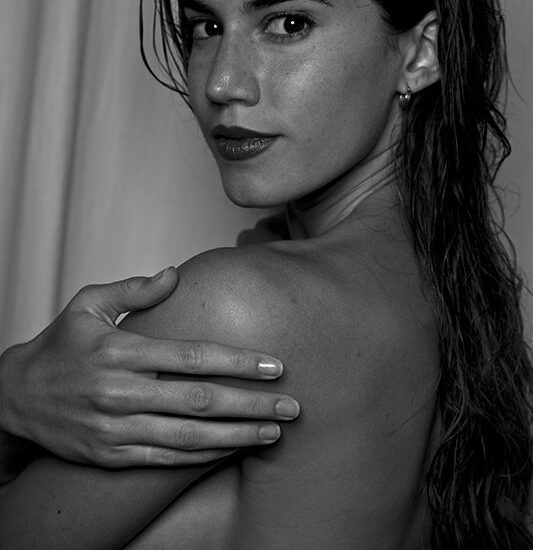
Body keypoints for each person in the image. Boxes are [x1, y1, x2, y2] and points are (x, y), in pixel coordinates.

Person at [0, 0, 532, 548]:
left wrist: (12, 396)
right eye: (206, 27)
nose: (221, 83)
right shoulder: (447, 280)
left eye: (289, 24)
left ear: (422, 52)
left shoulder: (242, 307)